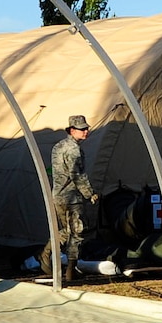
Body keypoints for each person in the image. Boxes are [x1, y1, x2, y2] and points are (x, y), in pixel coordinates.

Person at [47, 114, 99, 278]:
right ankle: (70, 270)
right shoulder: (74, 150)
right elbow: (77, 174)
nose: (86, 131)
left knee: (66, 230)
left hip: (58, 195)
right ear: (71, 130)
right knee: (77, 232)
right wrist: (90, 193)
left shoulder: (58, 146)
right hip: (72, 197)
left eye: (86, 128)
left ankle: (46, 253)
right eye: (82, 129)